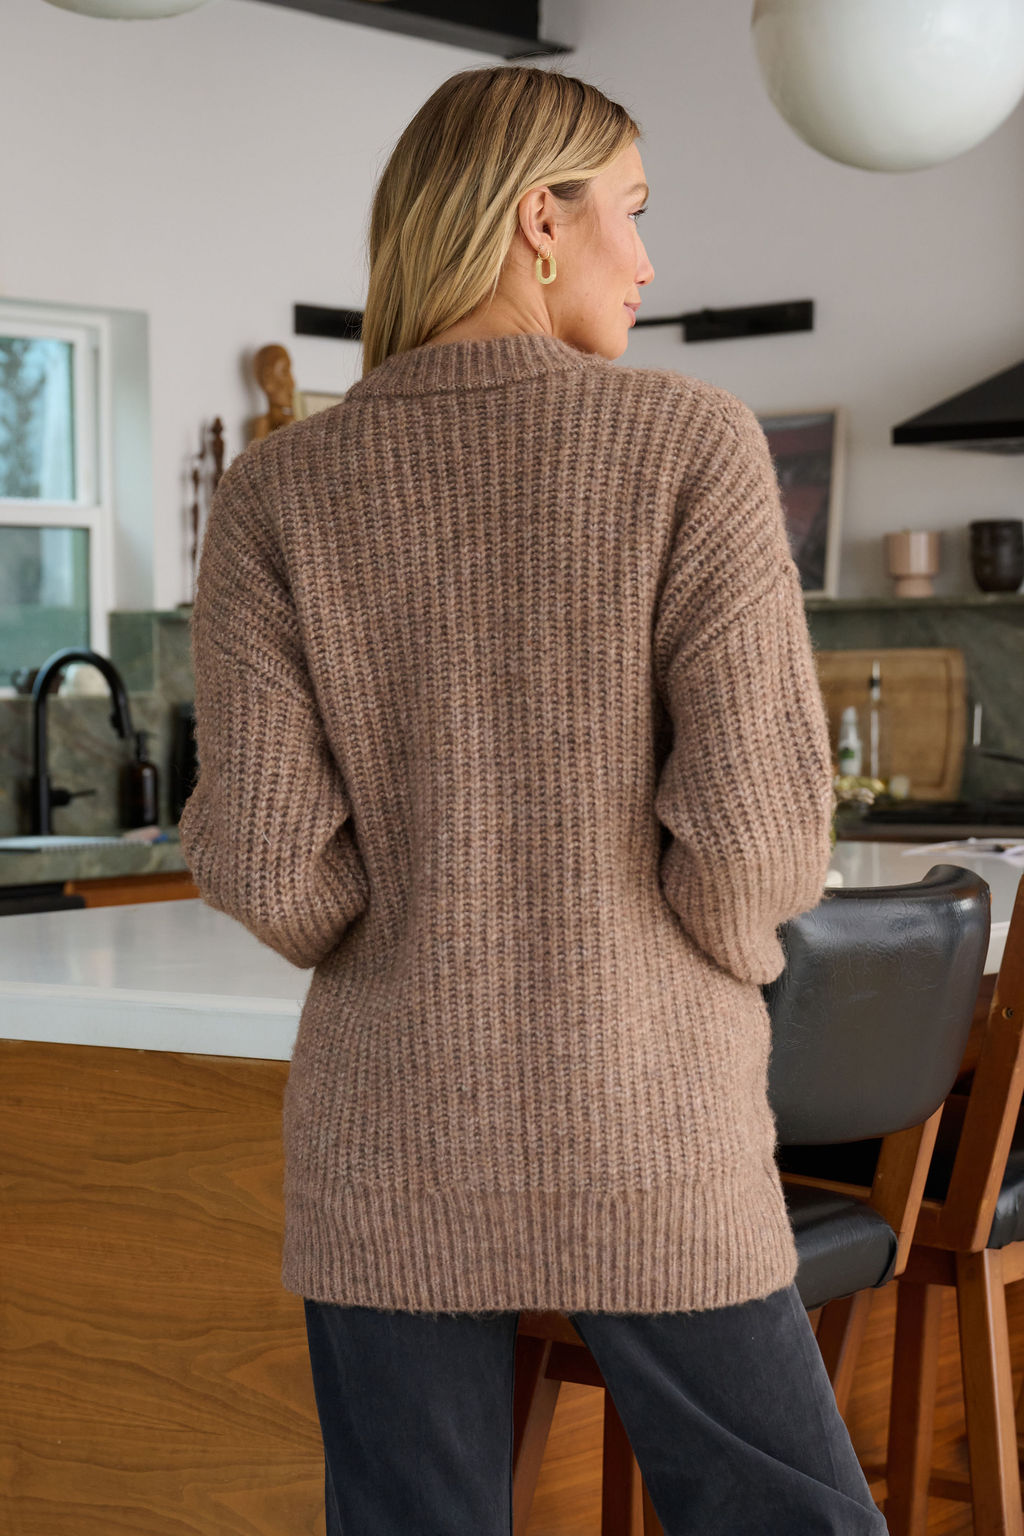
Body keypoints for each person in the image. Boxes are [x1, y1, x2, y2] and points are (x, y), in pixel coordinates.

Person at [179, 64, 888, 1536]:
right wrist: (714, 969)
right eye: (629, 211)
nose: (649, 256)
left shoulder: (277, 491)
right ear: (536, 221)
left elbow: (262, 857)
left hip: (390, 1129)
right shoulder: (689, 441)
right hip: (653, 1112)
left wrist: (399, 936)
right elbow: (757, 839)